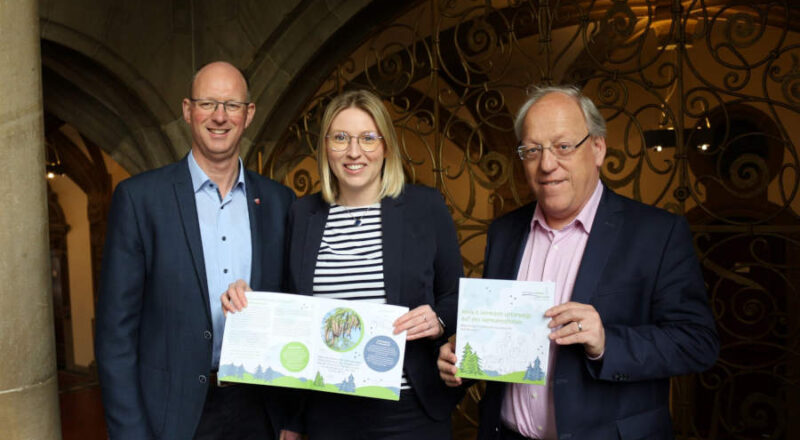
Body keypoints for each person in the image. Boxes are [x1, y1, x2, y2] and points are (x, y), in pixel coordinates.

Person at [437, 85, 719, 439]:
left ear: (597, 148)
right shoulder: (504, 232)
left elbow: (697, 343)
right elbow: (505, 344)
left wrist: (606, 342)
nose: (547, 164)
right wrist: (464, 356)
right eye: (532, 150)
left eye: (563, 146)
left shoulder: (657, 233)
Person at [223, 89, 465, 439]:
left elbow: (456, 295)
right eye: (341, 138)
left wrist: (439, 319)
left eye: (368, 138)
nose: (354, 152)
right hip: (327, 414)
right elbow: (290, 308)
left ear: (385, 146)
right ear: (326, 147)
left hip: (410, 413)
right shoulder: (303, 215)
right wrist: (247, 299)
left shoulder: (423, 208)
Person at [95, 61, 296, 440]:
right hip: (172, 417)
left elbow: (293, 308)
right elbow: (115, 336)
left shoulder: (280, 202)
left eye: (232, 106)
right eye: (208, 103)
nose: (219, 117)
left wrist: (292, 418)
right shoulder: (140, 200)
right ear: (187, 110)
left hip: (260, 412)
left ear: (249, 114)